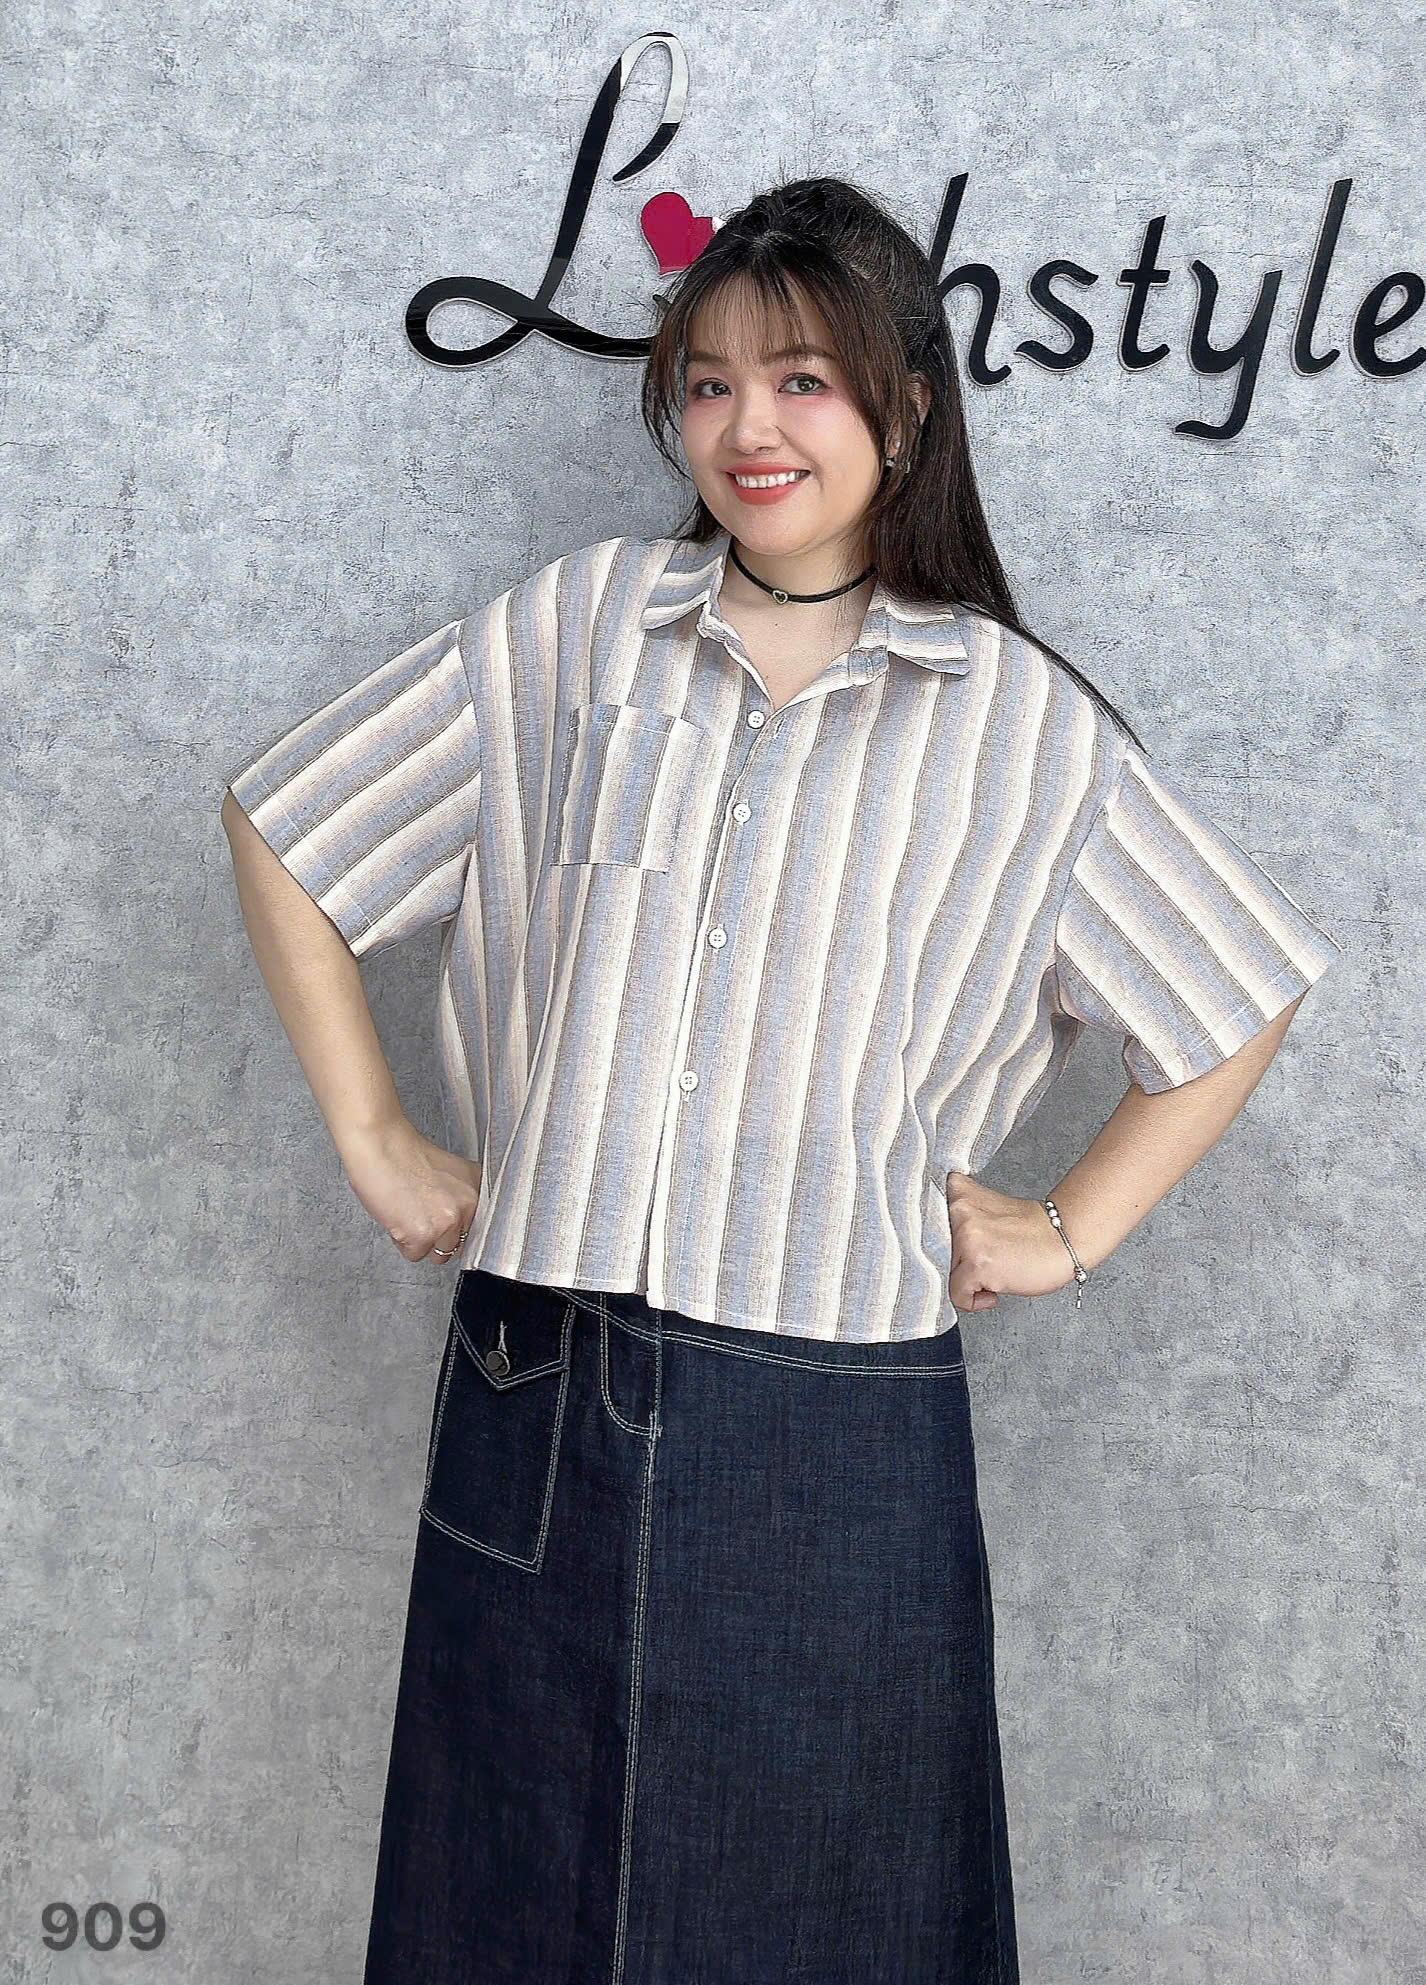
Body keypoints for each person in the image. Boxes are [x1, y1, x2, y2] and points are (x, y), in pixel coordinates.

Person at [220, 176, 1340, 1984]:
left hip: (835, 1425)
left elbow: (1235, 989)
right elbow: (290, 826)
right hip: (538, 1377)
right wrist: (374, 1132)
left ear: (907, 406)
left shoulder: (1018, 725)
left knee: (827, 1912)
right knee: (505, 1897)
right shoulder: (579, 628)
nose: (749, 425)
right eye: (710, 381)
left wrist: (1069, 1225)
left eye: (803, 379)